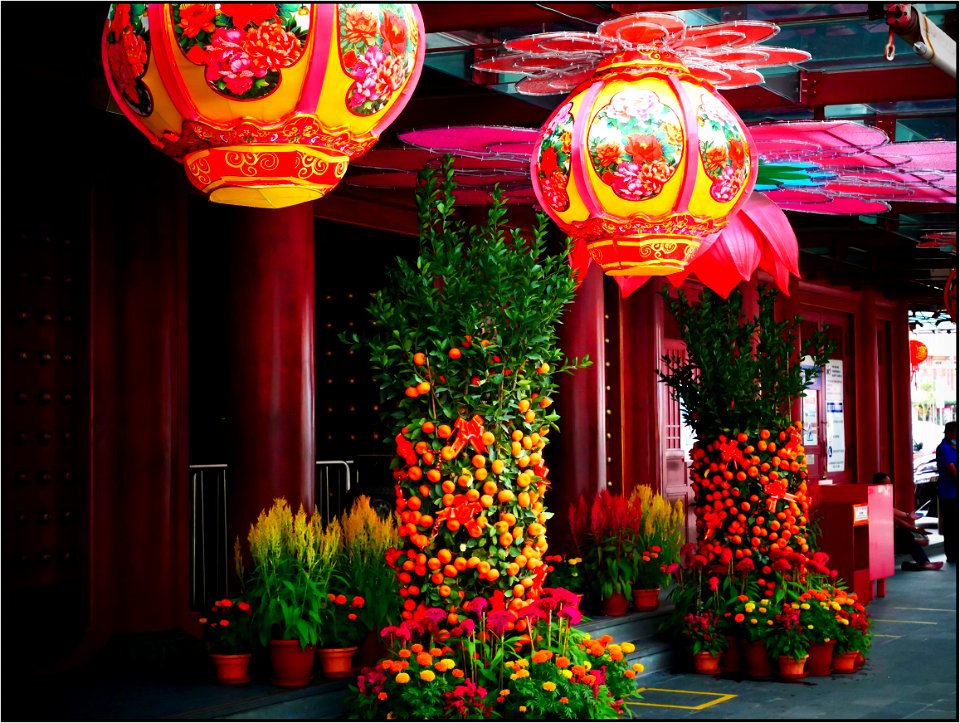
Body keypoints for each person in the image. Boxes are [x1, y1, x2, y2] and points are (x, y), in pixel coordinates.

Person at [872, 472, 943, 571]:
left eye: (889, 483)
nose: (889, 486)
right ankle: (921, 561)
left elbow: (891, 510)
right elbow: (896, 520)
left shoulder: (881, 496)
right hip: (879, 542)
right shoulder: (873, 499)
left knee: (906, 536)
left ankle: (922, 563)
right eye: (886, 484)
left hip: (888, 539)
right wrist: (916, 530)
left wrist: (908, 515)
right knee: (904, 534)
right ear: (878, 485)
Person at [936, 420, 958, 564]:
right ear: (950, 432)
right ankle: (952, 555)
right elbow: (952, 470)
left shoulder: (953, 447)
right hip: (948, 493)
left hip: (954, 492)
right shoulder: (944, 448)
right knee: (951, 526)